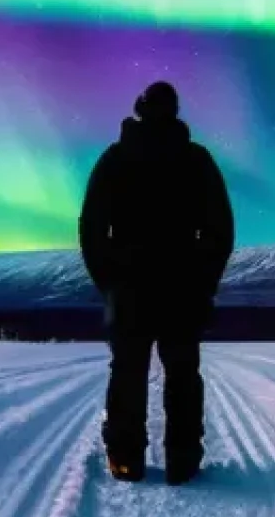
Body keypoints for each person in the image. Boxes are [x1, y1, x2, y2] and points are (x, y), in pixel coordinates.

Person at [79, 81, 235, 486]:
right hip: (182, 290)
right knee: (182, 375)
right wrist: (204, 283)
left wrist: (108, 283)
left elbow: (92, 229)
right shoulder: (196, 160)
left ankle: (126, 460)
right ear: (175, 111)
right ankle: (182, 462)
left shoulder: (115, 159)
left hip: (129, 291)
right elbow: (220, 230)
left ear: (140, 109)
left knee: (128, 374)